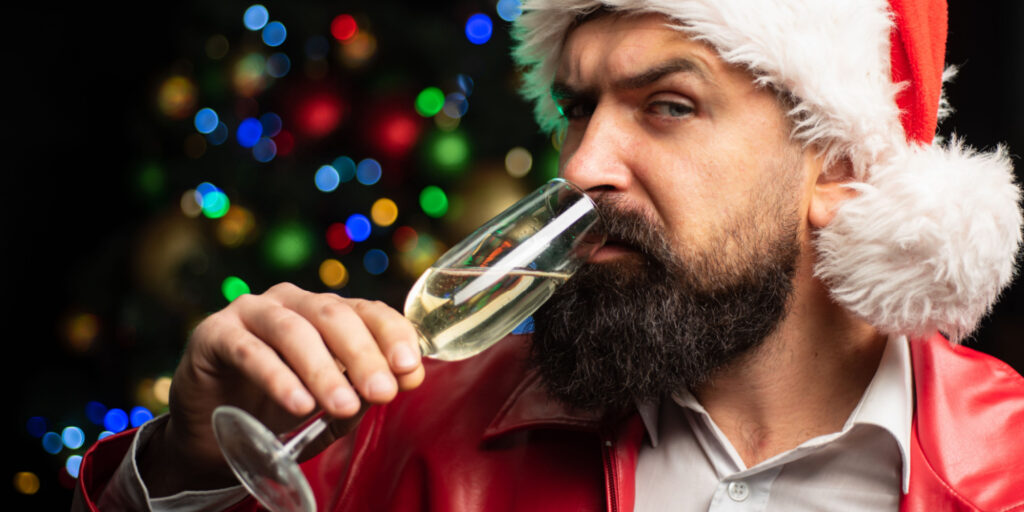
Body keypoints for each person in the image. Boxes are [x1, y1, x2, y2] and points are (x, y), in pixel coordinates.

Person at [75, 0, 1024, 510]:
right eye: (577, 107)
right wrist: (184, 466)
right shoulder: (403, 432)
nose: (580, 165)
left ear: (841, 164)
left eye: (668, 105)